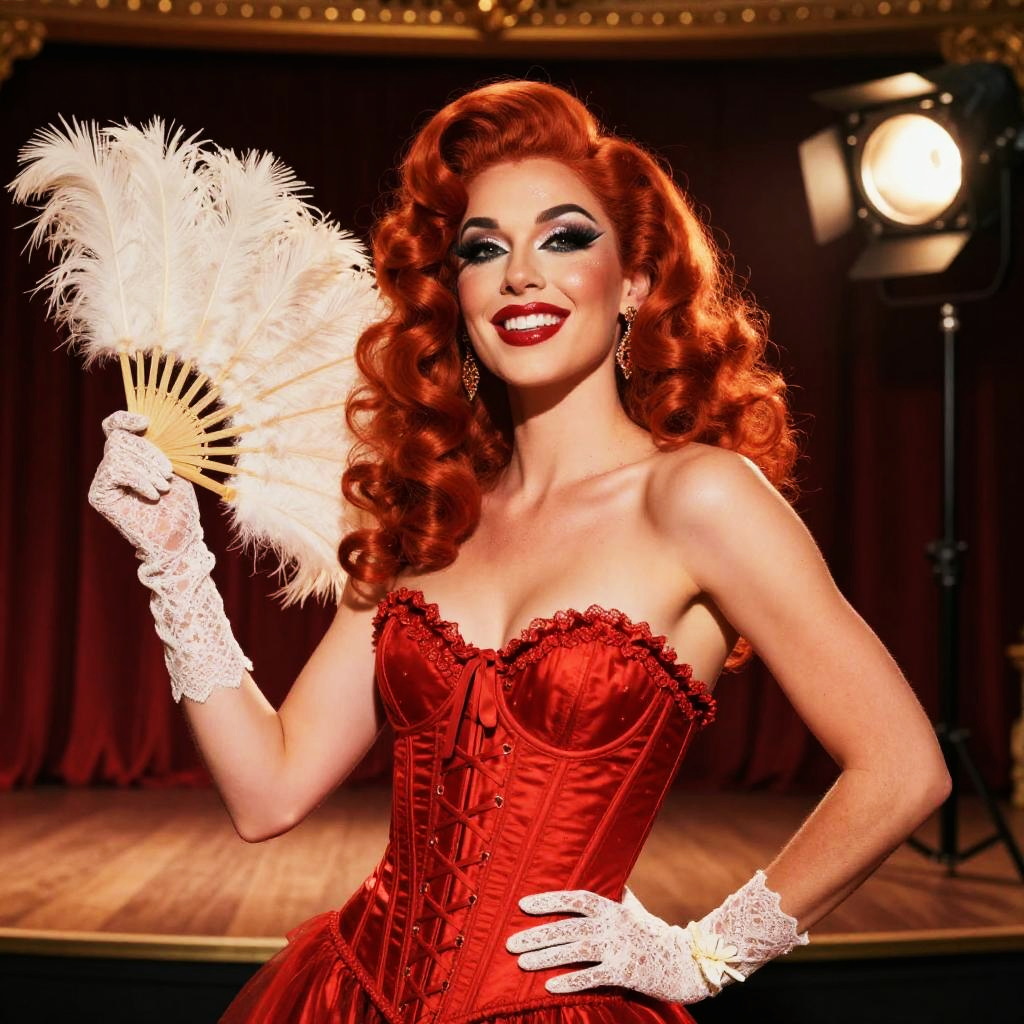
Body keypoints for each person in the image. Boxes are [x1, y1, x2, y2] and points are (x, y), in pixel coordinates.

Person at [88, 80, 951, 1022]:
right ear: (454, 297)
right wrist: (174, 560)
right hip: (352, 993)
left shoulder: (698, 497)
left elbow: (904, 769)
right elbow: (267, 791)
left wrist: (705, 953)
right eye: (484, 249)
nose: (520, 274)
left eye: (565, 237)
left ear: (633, 281)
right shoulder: (429, 516)